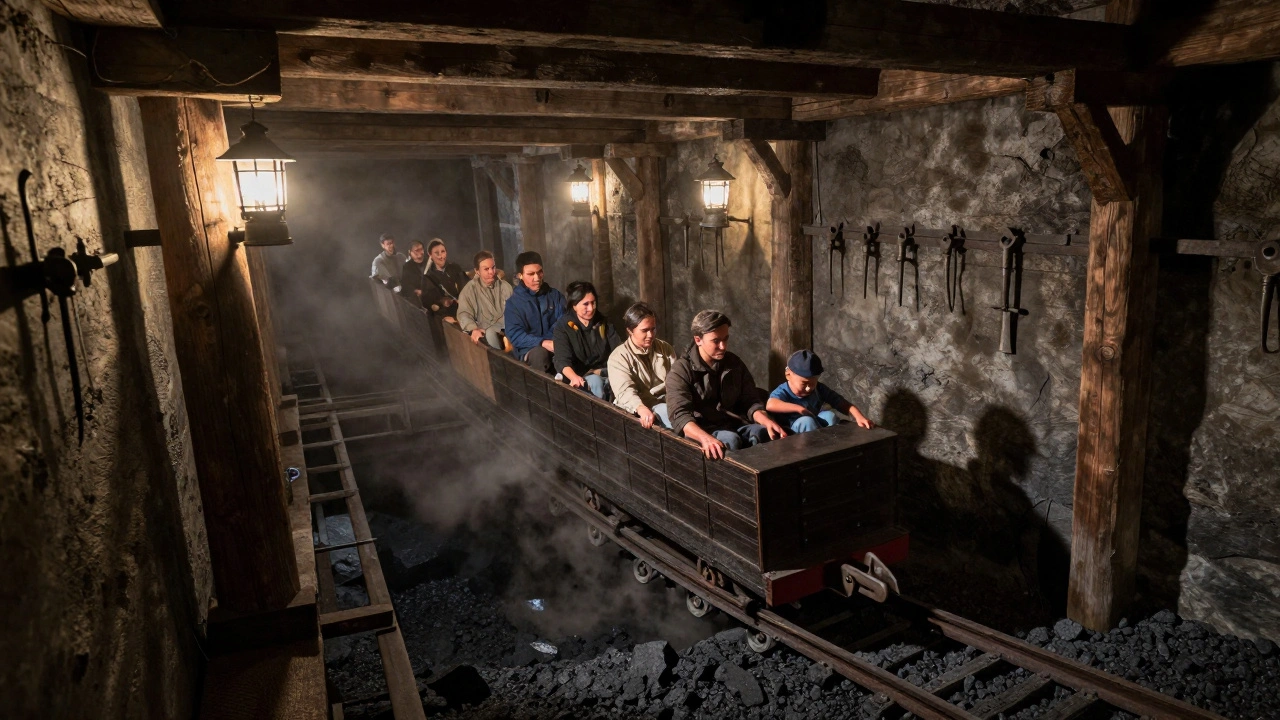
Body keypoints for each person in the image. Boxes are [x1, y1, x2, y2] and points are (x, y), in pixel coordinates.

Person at [666, 310, 787, 459]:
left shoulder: (734, 363)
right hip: (704, 430)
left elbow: (750, 400)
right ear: (698, 340)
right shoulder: (680, 371)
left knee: (764, 433)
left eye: (726, 339)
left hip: (735, 424)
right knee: (730, 441)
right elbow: (680, 415)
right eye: (716, 341)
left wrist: (766, 421)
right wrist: (705, 439)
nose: (723, 346)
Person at [766, 349, 875, 434]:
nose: (809, 388)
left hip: (815, 427)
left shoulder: (819, 388)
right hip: (792, 433)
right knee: (807, 422)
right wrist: (798, 409)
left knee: (830, 416)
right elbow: (771, 404)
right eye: (804, 384)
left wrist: (858, 416)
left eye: (812, 383)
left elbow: (839, 402)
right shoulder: (783, 391)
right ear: (788, 375)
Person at [607, 302, 676, 429]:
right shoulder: (618, 357)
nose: (650, 335)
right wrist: (640, 408)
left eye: (653, 329)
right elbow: (625, 391)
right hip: (635, 407)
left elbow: (676, 380)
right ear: (630, 331)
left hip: (665, 401)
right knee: (668, 414)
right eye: (645, 330)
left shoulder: (665, 348)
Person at [553, 281, 621, 399]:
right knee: (595, 382)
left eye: (593, 303)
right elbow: (562, 360)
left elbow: (618, 351)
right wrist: (574, 377)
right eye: (586, 304)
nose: (591, 308)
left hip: (605, 372)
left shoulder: (605, 323)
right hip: (581, 376)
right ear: (574, 305)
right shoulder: (563, 326)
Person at [503, 251, 565, 373]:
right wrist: (541, 342)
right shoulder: (514, 303)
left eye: (539, 272)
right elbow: (515, 334)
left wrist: (550, 341)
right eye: (531, 274)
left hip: (554, 343)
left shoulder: (555, 296)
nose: (537, 278)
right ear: (520, 275)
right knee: (540, 354)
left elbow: (562, 321)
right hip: (528, 350)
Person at [457, 250, 513, 349]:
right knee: (491, 333)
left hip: (509, 328)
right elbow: (464, 314)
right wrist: (473, 329)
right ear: (477, 271)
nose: (491, 272)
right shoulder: (469, 291)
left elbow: (515, 310)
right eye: (486, 269)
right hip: (487, 334)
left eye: (493, 267)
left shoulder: (505, 286)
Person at [422, 238, 468, 323]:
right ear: (430, 255)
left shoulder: (455, 268)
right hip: (446, 316)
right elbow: (429, 302)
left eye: (443, 251)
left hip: (464, 310)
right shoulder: (429, 277)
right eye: (436, 253)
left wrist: (462, 300)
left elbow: (465, 286)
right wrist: (441, 302)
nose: (441, 256)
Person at [400, 240, 429, 306]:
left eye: (421, 249)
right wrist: (415, 291)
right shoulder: (407, 266)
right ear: (410, 252)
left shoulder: (429, 262)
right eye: (416, 250)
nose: (420, 252)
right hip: (417, 300)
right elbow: (405, 284)